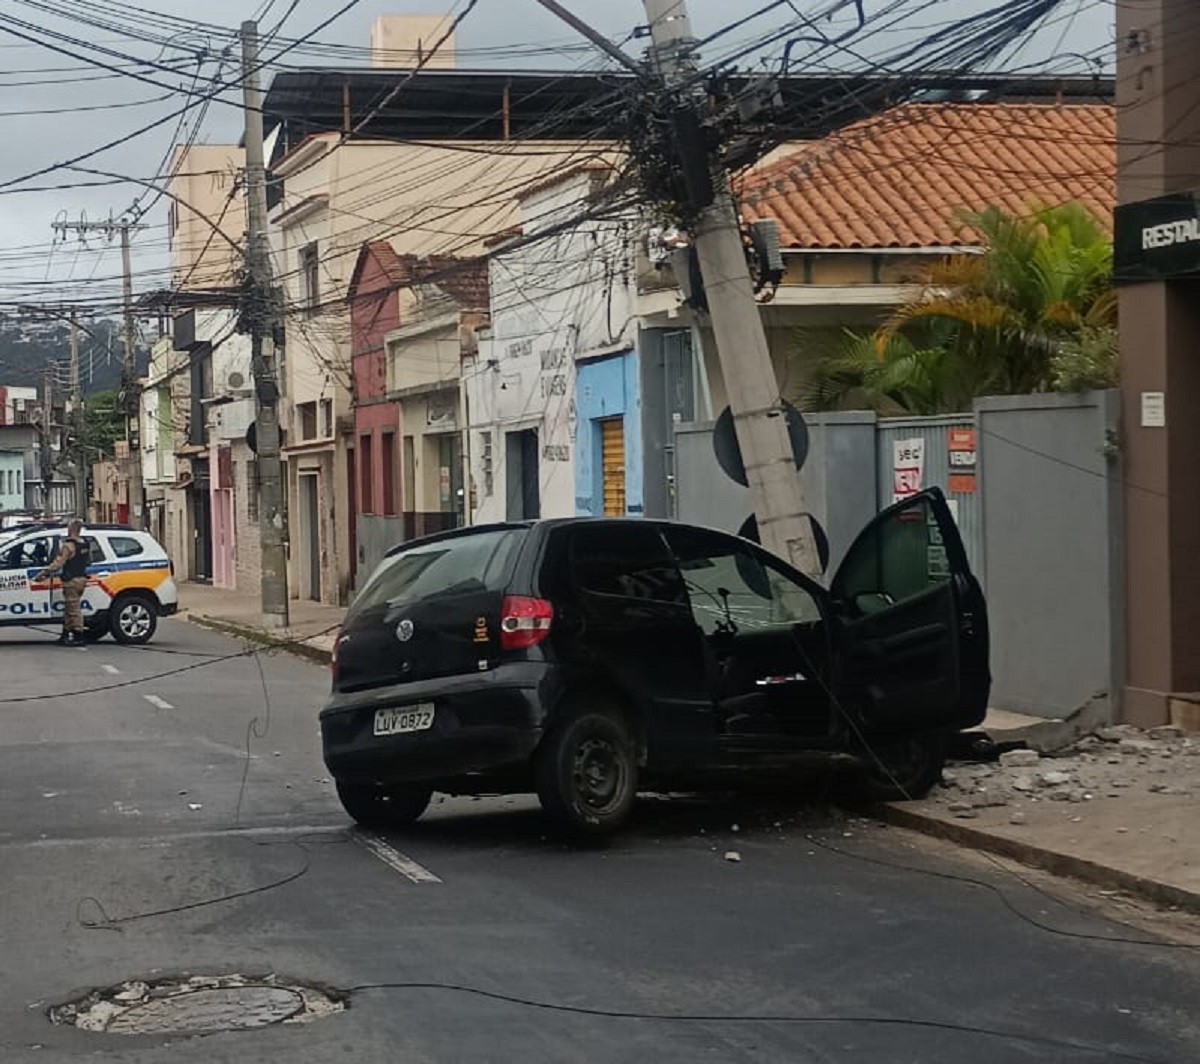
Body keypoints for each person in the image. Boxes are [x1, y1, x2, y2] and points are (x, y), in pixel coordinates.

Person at [35, 519, 91, 646]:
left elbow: (58, 564)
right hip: (81, 578)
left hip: (71, 580)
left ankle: (78, 635)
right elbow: (88, 560)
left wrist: (43, 574)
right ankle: (65, 634)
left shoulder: (68, 546)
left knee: (73, 609)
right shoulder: (85, 544)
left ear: (71, 529)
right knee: (69, 608)